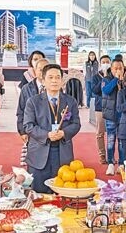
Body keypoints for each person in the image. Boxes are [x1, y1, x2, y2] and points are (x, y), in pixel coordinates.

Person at [23, 64, 81, 193]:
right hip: (39, 153)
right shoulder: (33, 101)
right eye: (50, 77)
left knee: (61, 192)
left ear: (62, 80)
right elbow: (28, 126)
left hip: (62, 152)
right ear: (43, 80)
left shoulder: (70, 101)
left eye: (57, 77)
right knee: (38, 194)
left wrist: (64, 133)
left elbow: (76, 124)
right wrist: (46, 135)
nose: (54, 80)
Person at [16, 58, 49, 143]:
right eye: (40, 70)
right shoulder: (26, 88)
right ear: (35, 70)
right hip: (31, 130)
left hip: (49, 132)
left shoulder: (55, 88)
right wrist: (22, 131)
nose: (43, 73)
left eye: (46, 70)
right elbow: (21, 111)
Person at [102, 59, 125, 175]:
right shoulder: (106, 79)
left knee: (122, 141)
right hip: (110, 115)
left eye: (120, 68)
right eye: (115, 68)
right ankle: (110, 163)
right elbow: (106, 91)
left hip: (123, 116)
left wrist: (122, 82)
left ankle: (122, 164)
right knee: (110, 140)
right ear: (111, 69)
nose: (118, 70)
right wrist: (116, 79)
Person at [91, 55, 111, 164]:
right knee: (100, 132)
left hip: (112, 107)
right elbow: (95, 90)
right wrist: (104, 79)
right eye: (103, 62)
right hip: (100, 107)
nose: (105, 64)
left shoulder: (113, 75)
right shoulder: (96, 77)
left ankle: (111, 155)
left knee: (113, 133)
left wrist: (108, 76)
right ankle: (102, 155)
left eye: (107, 62)